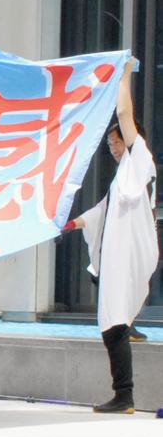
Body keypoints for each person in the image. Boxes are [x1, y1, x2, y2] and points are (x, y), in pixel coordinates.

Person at [63, 57, 158, 413]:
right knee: (110, 319)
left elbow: (124, 113)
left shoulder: (140, 159)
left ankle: (125, 395)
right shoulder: (123, 176)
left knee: (112, 320)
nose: (112, 147)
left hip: (129, 253)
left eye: (115, 142)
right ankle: (123, 392)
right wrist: (71, 226)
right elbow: (101, 211)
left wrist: (124, 74)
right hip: (120, 254)